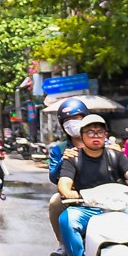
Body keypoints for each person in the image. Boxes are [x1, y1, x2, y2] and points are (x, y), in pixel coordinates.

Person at [53, 113, 128, 256]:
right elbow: (64, 182)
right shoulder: (73, 158)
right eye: (90, 132)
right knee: (67, 219)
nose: (95, 136)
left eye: (100, 132)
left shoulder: (116, 155)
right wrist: (68, 192)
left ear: (106, 135)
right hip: (87, 208)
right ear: (82, 135)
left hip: (119, 207)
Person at [47, 98, 92, 244]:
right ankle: (63, 243)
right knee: (55, 202)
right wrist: (63, 160)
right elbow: (54, 177)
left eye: (76, 118)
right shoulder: (59, 150)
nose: (72, 123)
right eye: (67, 120)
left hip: (103, 193)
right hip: (73, 195)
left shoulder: (103, 144)